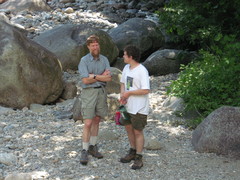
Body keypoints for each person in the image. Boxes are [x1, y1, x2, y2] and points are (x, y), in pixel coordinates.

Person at [78, 35, 112, 165]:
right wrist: (100, 76)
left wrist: (94, 76)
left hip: (101, 92)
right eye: (93, 45)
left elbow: (108, 78)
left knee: (97, 120)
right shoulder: (84, 61)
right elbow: (85, 80)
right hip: (89, 93)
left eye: (97, 45)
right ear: (88, 47)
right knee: (87, 122)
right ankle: (84, 150)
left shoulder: (104, 60)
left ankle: (93, 146)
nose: (95, 47)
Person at [119, 45, 150, 170]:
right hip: (127, 106)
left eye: (125, 54)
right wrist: (122, 95)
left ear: (131, 57)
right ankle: (132, 150)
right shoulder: (126, 67)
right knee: (128, 128)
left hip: (139, 107)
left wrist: (129, 93)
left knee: (138, 131)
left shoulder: (142, 70)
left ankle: (139, 156)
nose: (123, 56)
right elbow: (122, 83)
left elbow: (146, 90)